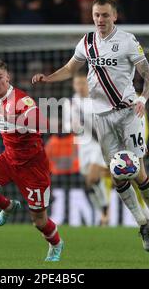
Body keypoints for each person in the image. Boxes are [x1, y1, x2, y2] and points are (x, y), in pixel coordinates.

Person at [32, 0, 149, 252]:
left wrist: (143, 99)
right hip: (101, 117)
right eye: (96, 15)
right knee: (117, 174)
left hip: (128, 113)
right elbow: (71, 69)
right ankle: (142, 224)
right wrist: (48, 78)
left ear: (115, 16)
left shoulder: (128, 41)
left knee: (137, 170)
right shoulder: (87, 42)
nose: (100, 20)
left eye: (105, 15)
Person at [0, 59, 64, 261]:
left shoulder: (21, 100)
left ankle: (56, 244)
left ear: (8, 77)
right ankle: (9, 206)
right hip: (9, 159)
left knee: (39, 222)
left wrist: (11, 119)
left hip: (32, 167)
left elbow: (42, 124)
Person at [62, 74, 110, 226]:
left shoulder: (97, 100)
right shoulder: (69, 103)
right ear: (73, 85)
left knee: (92, 177)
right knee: (91, 183)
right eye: (77, 83)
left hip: (99, 144)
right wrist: (74, 126)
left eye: (83, 83)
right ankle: (102, 213)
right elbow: (67, 126)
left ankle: (105, 210)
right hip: (83, 146)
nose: (80, 86)